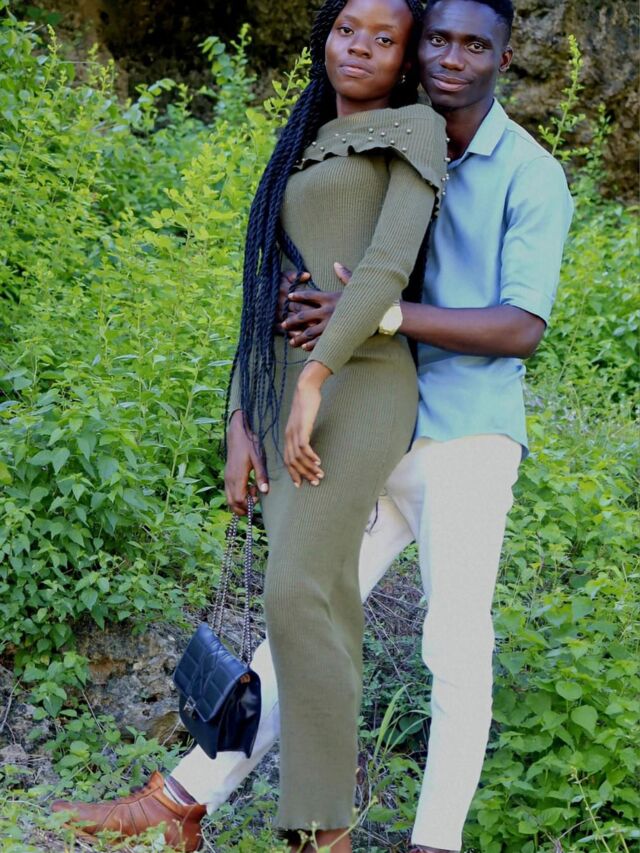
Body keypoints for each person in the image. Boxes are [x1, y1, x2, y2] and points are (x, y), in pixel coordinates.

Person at [53, 1, 574, 851]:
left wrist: (380, 315)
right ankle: (184, 797)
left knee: (453, 644)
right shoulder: (385, 138)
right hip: (374, 417)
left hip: (464, 437)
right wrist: (257, 397)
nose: (452, 58)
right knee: (303, 607)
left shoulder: (529, 172)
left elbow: (521, 325)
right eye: (439, 40)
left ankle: (430, 841)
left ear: (504, 59)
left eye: (475, 45)